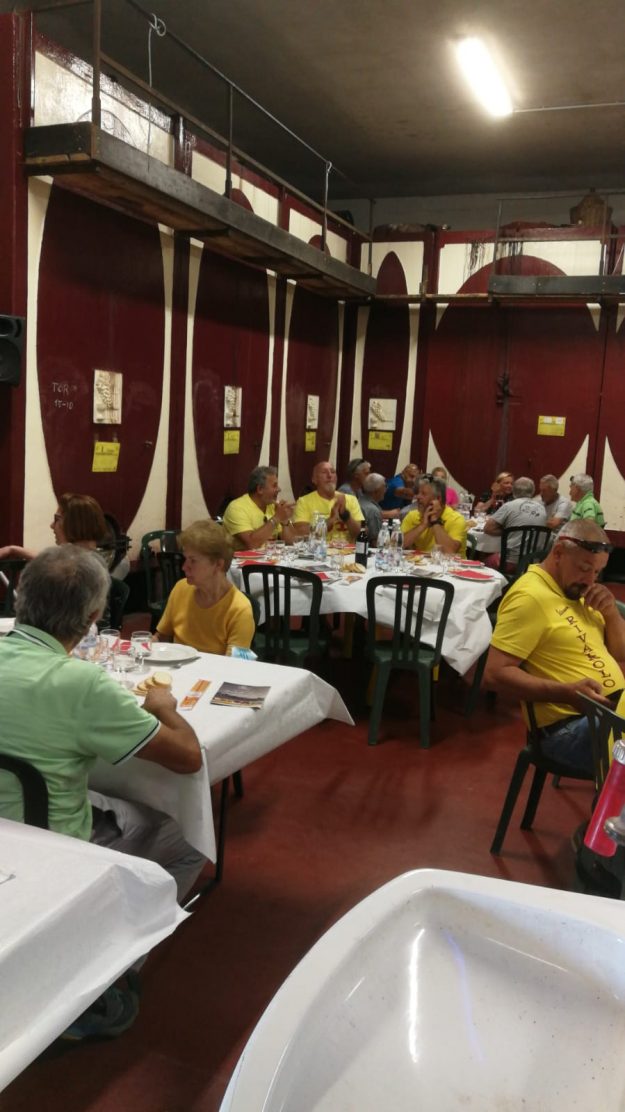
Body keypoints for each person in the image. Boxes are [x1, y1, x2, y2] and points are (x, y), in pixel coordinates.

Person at [0, 545, 205, 1036]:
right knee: (189, 841)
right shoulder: (81, 684)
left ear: (21, 596)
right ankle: (101, 970)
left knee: (109, 800)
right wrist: (164, 706)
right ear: (94, 617)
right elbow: (188, 757)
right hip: (48, 841)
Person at [483, 520, 625, 774]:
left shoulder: (577, 592)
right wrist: (567, 693)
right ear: (558, 553)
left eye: (597, 572)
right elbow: (494, 674)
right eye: (585, 568)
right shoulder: (530, 597)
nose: (590, 580)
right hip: (567, 729)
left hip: (610, 715)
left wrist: (612, 615)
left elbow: (620, 652)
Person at [156, 520, 254, 655]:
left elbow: (234, 664)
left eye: (193, 561)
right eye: (185, 559)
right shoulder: (181, 588)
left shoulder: (239, 609)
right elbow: (161, 637)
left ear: (218, 565)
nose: (184, 567)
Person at [0, 492, 107, 561]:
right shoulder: (87, 560)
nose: (52, 526)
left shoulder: (72, 573)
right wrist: (13, 549)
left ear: (74, 524)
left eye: (57, 519)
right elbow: (49, 558)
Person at [222, 465, 297, 550]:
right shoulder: (237, 508)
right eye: (274, 486)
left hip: (271, 557)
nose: (279, 489)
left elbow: (292, 542)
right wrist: (276, 518)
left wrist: (284, 520)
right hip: (242, 558)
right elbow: (252, 544)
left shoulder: (273, 506)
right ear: (260, 489)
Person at [483, 477, 547, 566]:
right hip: (533, 562)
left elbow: (488, 528)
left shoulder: (509, 506)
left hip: (510, 561)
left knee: (484, 561)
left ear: (514, 491)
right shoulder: (542, 508)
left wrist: (508, 532)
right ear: (532, 491)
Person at [293, 461, 364, 541]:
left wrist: (345, 515)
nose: (330, 475)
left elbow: (358, 534)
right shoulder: (304, 501)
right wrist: (331, 520)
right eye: (324, 472)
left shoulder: (351, 499)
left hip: (346, 548)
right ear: (314, 479)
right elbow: (300, 533)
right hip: (318, 548)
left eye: (333, 472)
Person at [401, 475, 467, 556]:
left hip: (450, 564)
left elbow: (449, 552)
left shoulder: (456, 519)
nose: (417, 497)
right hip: (421, 562)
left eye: (423, 494)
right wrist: (423, 525)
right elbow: (398, 544)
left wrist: (435, 521)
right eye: (418, 493)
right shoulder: (413, 515)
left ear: (438, 499)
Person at [357, 472, 386, 545]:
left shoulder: (358, 501)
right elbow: (375, 541)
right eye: (384, 486)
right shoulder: (373, 510)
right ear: (376, 491)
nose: (386, 490)